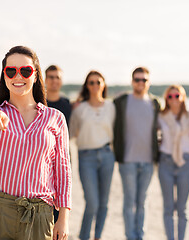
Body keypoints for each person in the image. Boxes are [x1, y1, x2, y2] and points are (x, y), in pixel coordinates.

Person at [0, 46, 72, 240]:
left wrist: (63, 218)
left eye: (25, 70)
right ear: (5, 76)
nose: (17, 76)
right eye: (11, 71)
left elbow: (63, 171)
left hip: (39, 214)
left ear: (35, 75)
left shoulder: (55, 118)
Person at [113, 67, 160, 240]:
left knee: (142, 202)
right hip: (127, 161)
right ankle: (130, 236)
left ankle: (140, 235)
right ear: (132, 82)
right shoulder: (122, 102)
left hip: (148, 162)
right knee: (129, 201)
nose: (141, 83)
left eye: (144, 80)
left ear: (148, 83)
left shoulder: (155, 104)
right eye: (137, 80)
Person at [69, 71, 115, 240]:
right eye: (91, 82)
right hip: (86, 157)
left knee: (104, 203)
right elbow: (70, 133)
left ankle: (98, 236)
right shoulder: (79, 109)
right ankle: (84, 236)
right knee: (92, 203)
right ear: (86, 86)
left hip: (107, 156)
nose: (95, 85)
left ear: (103, 84)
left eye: (98, 82)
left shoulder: (111, 107)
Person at [158, 85, 189, 240]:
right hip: (166, 162)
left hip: (185, 163)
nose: (173, 99)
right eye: (170, 96)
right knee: (168, 207)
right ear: (166, 99)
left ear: (183, 97)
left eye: (176, 96)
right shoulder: (160, 116)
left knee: (182, 209)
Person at [45, 64, 72, 224]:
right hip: (43, 158)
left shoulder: (67, 104)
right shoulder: (38, 103)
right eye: (51, 77)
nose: (54, 81)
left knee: (60, 200)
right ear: (45, 80)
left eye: (58, 77)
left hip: (63, 157)